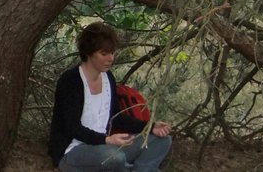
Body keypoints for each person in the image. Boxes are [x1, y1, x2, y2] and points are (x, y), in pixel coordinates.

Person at [48, 22, 172, 171]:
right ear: (89, 52)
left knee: (161, 140)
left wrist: (151, 127)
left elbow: (115, 116)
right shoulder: (71, 80)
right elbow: (72, 128)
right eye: (104, 54)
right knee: (115, 157)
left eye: (112, 53)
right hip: (73, 152)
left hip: (104, 146)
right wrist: (107, 140)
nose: (111, 58)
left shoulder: (108, 78)